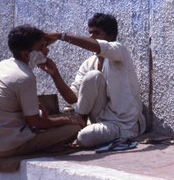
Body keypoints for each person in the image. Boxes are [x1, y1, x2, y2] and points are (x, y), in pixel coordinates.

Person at [0, 25, 85, 157]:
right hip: (7, 147)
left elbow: (35, 113)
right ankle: (45, 147)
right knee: (73, 128)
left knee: (53, 121)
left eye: (46, 45)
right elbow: (36, 124)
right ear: (25, 54)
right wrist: (69, 119)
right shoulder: (25, 78)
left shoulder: (4, 65)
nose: (47, 50)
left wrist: (52, 37)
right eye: (41, 48)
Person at [46, 13, 146, 148]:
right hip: (100, 120)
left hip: (124, 125)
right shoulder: (89, 63)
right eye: (90, 33)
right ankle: (79, 122)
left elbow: (99, 46)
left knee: (84, 138)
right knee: (93, 76)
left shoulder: (119, 50)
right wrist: (55, 74)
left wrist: (61, 36)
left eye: (96, 33)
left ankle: (77, 126)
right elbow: (72, 98)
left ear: (109, 36)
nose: (91, 37)